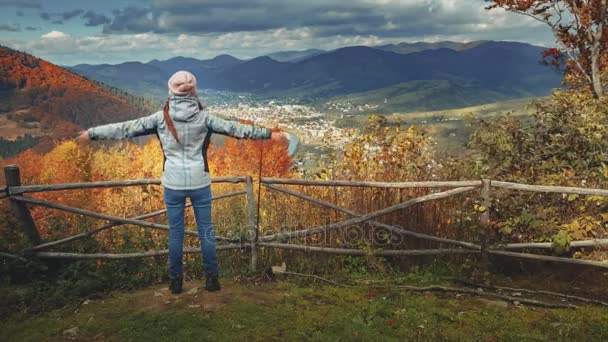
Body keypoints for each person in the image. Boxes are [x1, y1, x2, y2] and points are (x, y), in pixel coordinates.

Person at [77, 70, 287, 294]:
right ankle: (212, 280)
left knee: (175, 234)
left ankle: (176, 282)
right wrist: (269, 134)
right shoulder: (205, 118)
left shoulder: (159, 118)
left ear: (171, 90)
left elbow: (125, 128)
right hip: (200, 182)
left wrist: (92, 133)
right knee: (206, 232)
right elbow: (238, 129)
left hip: (173, 184)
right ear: (194, 90)